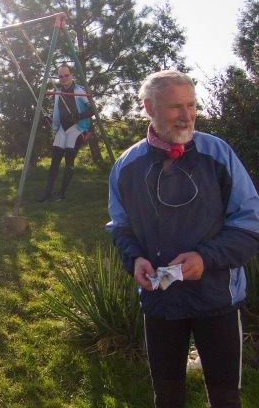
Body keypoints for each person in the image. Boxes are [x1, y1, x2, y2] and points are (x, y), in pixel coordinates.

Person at [106, 70, 259, 407]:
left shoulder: (217, 154)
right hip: (160, 301)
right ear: (149, 108)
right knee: (167, 396)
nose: (187, 115)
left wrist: (206, 258)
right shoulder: (126, 166)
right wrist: (134, 259)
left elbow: (250, 223)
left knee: (225, 396)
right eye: (176, 106)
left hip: (216, 297)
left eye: (191, 105)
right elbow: (120, 226)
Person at [37, 64, 93, 202]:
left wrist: (78, 116)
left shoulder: (79, 90)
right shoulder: (58, 92)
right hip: (62, 128)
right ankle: (47, 192)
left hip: (77, 128)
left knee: (69, 160)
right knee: (55, 161)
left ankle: (61, 193)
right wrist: (49, 117)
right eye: (61, 76)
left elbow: (93, 109)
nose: (64, 78)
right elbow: (58, 110)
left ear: (71, 75)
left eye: (66, 75)